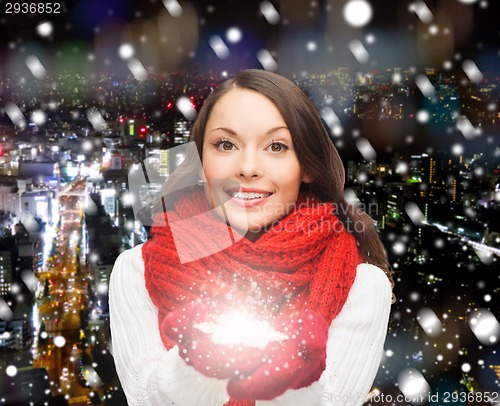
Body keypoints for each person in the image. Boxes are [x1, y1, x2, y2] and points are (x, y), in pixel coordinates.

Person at [109, 69, 394, 406]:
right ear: (201, 162)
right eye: (225, 144)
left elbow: (332, 401)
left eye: (276, 146)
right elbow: (146, 399)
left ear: (307, 167)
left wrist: (282, 365)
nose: (247, 167)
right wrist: (199, 362)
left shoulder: (362, 286)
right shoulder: (136, 271)